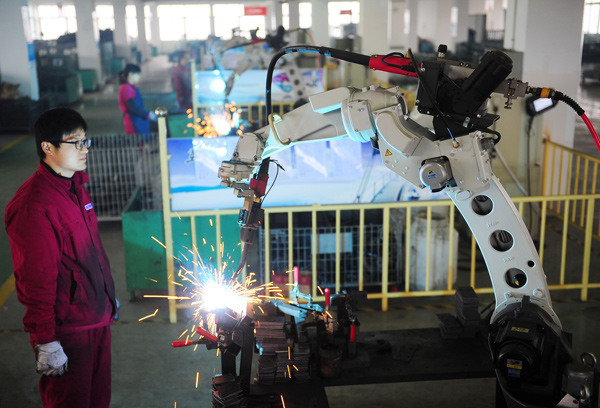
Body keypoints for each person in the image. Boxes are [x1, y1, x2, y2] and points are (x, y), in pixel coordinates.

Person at [5, 107, 117, 408]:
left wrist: (108, 295)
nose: (84, 150)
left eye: (86, 141)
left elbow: (91, 253)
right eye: (75, 142)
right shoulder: (34, 205)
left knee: (97, 400)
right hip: (68, 331)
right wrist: (46, 341)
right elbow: (34, 280)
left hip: (95, 319)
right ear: (48, 148)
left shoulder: (77, 187)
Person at [118, 63, 157, 135]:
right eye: (137, 74)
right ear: (130, 75)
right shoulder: (126, 88)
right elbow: (133, 107)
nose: (139, 77)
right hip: (133, 122)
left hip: (137, 120)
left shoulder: (132, 87)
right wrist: (147, 114)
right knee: (137, 143)